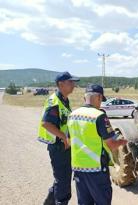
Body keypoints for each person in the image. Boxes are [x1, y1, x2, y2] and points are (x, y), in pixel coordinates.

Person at [67, 84, 127, 205]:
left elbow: (68, 141)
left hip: (78, 169)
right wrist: (122, 142)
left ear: (85, 97)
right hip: (96, 170)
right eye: (101, 100)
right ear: (99, 97)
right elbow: (111, 145)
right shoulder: (99, 116)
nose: (101, 104)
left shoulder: (72, 115)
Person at [38, 71, 80, 205]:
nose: (73, 85)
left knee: (60, 179)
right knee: (63, 183)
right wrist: (64, 138)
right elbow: (46, 123)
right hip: (58, 148)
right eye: (70, 82)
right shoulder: (54, 101)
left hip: (63, 147)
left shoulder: (65, 100)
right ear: (61, 84)